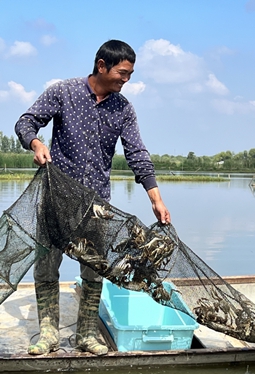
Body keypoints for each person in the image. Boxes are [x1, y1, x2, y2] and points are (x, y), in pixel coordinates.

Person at [15, 40, 170, 356]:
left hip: (96, 204)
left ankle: (86, 334)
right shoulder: (64, 92)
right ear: (102, 65)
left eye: (130, 74)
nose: (126, 80)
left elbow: (137, 153)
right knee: (47, 266)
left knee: (95, 269)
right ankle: (47, 333)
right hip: (55, 197)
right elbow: (25, 121)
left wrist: (155, 196)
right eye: (122, 73)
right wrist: (35, 143)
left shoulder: (123, 108)